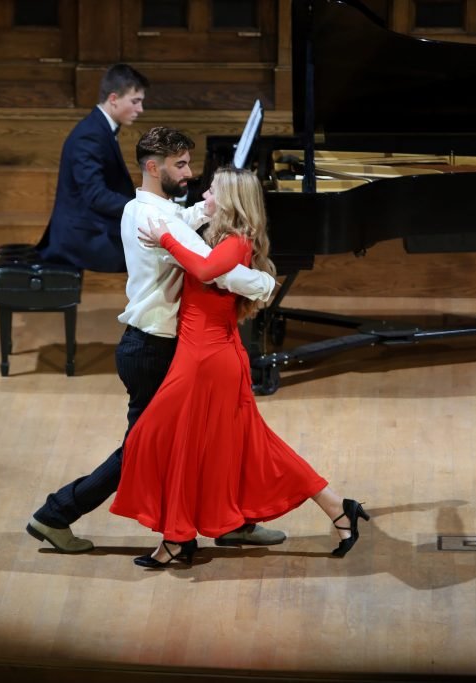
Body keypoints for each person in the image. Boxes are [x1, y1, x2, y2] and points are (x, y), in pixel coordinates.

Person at [27, 128, 286, 552]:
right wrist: (263, 282)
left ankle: (226, 522)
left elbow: (180, 223)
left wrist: (201, 211)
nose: (190, 174)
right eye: (180, 165)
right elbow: (209, 267)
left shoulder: (141, 207)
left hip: (151, 344)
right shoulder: (158, 218)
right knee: (142, 450)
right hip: (152, 349)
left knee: (209, 435)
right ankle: (56, 514)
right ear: (154, 167)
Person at [109, 166, 369, 568]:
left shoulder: (234, 242)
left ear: (227, 201)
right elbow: (192, 230)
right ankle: (336, 507)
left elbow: (205, 270)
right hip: (205, 354)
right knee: (239, 446)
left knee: (154, 435)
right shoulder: (215, 234)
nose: (204, 195)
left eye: (211, 191)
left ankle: (178, 536)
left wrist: (162, 237)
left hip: (207, 359)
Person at [36, 63, 148, 272]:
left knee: (158, 246)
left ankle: (149, 305)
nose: (140, 109)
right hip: (83, 236)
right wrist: (142, 208)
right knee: (157, 251)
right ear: (113, 99)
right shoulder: (90, 135)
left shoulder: (98, 128)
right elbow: (96, 195)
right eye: (135, 101)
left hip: (92, 227)